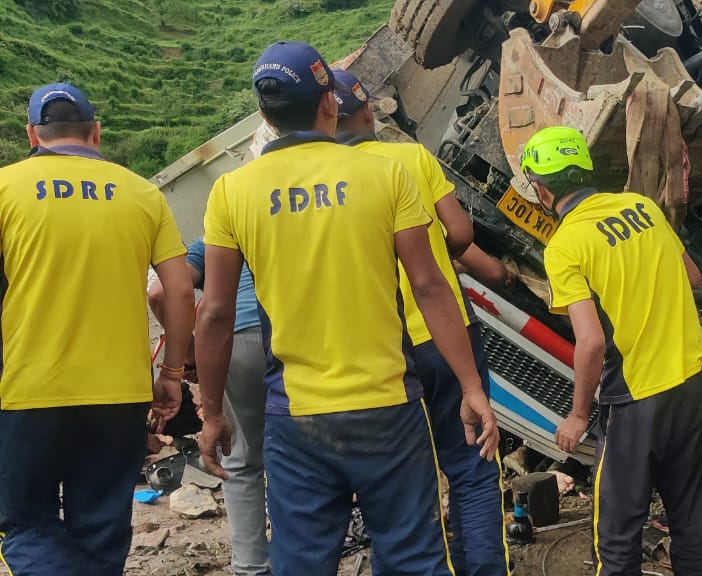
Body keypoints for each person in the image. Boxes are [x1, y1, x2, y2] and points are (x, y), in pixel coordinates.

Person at [194, 41, 498, 575]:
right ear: (329, 103)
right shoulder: (387, 176)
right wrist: (471, 388)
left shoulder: (231, 192)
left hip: (297, 416)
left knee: (303, 563)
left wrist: (213, 411)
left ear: (264, 115)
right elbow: (429, 287)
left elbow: (216, 313)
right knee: (412, 557)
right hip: (389, 407)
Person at [0, 83, 195, 574]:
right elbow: (177, 290)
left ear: (31, 134)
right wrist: (171, 372)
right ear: (96, 133)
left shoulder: (5, 187)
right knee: (103, 529)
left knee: (25, 525)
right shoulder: (141, 193)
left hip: (27, 390)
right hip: (119, 395)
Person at [333, 69, 510, 576]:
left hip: (380, 349)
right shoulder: (410, 157)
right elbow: (459, 230)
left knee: (403, 482)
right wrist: (437, 256)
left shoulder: (323, 181)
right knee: (474, 468)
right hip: (447, 334)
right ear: (369, 112)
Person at [532, 126, 702, 576]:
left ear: (540, 190)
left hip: (635, 400)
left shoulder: (565, 245)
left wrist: (578, 416)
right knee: (692, 515)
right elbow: (692, 277)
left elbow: (591, 341)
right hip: (690, 384)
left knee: (616, 532)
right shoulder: (642, 207)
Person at [148, 238, 269, 576]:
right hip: (289, 330)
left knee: (241, 459)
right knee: (301, 455)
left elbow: (160, 292)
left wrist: (190, 355)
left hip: (235, 336)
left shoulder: (218, 230)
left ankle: (251, 566)